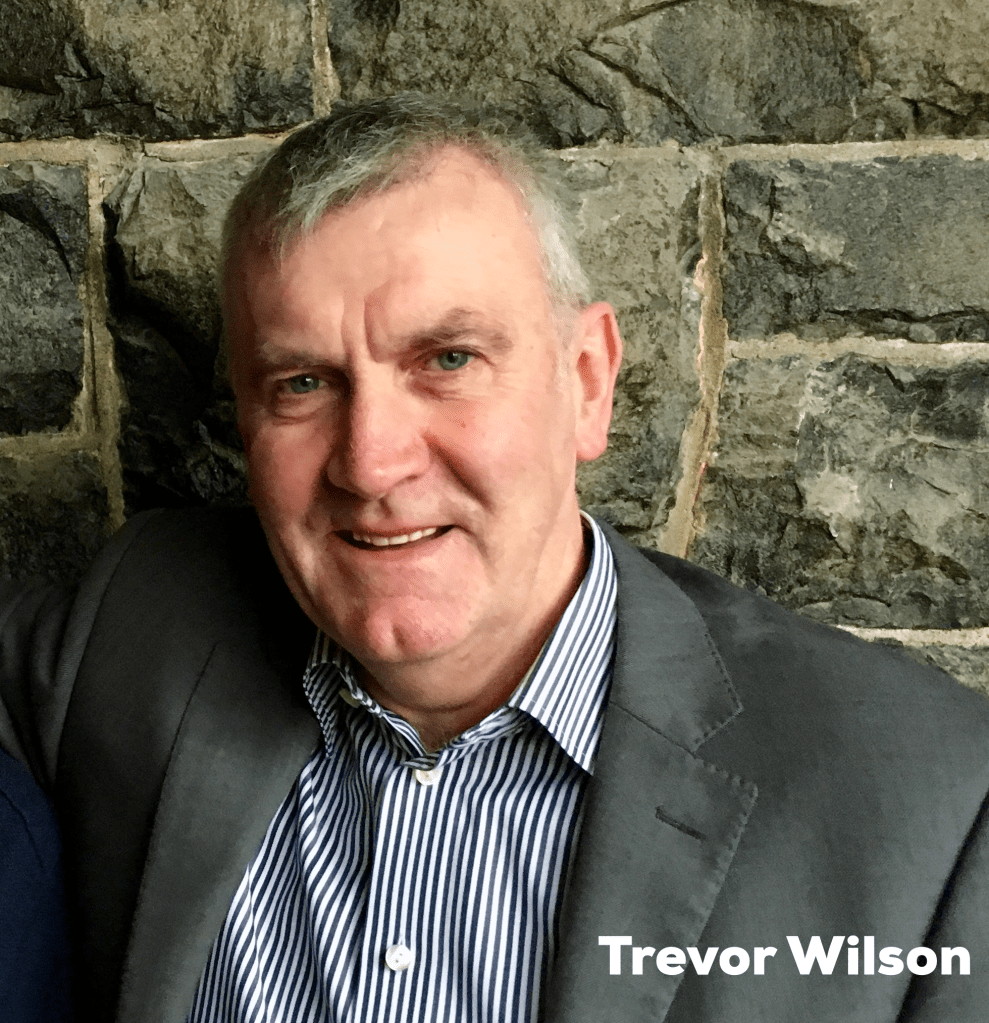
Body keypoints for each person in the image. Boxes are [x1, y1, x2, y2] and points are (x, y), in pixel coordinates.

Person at [1, 93, 988, 1022]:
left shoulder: (927, 812)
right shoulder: (135, 624)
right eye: (303, 383)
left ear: (587, 383)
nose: (370, 462)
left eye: (447, 360)